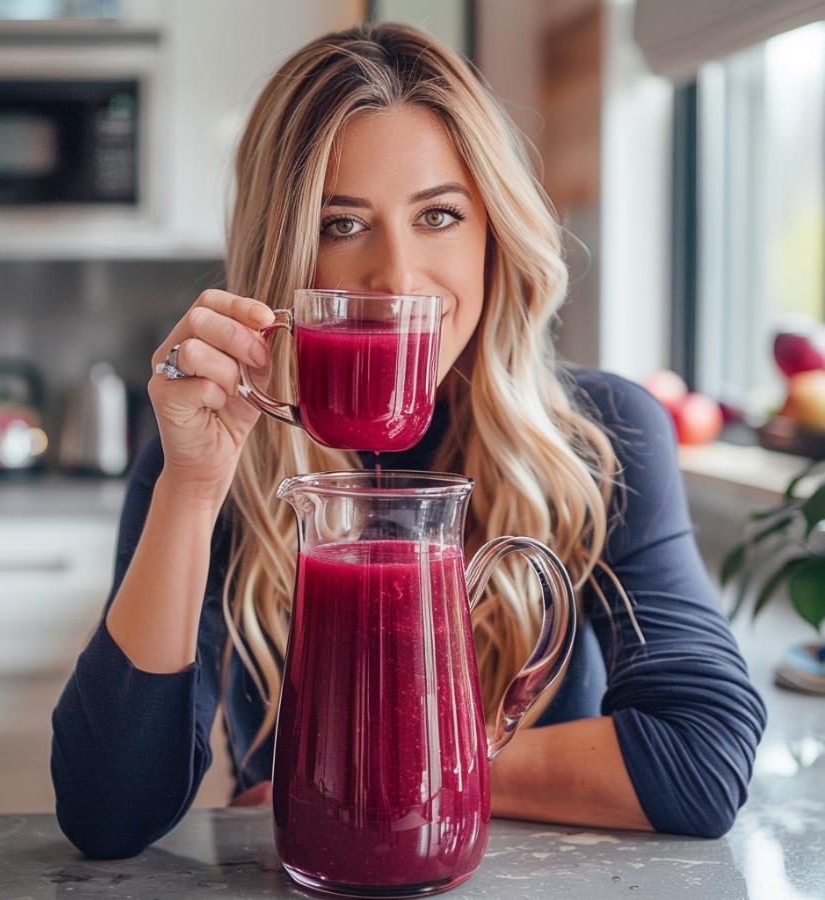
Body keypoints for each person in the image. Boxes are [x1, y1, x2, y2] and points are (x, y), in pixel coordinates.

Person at [51, 21, 766, 859]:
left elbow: (703, 759)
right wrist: (193, 489)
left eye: (438, 215)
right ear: (283, 258)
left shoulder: (606, 438)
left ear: (494, 234)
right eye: (340, 226)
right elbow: (107, 813)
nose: (395, 279)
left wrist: (385, 777)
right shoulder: (213, 463)